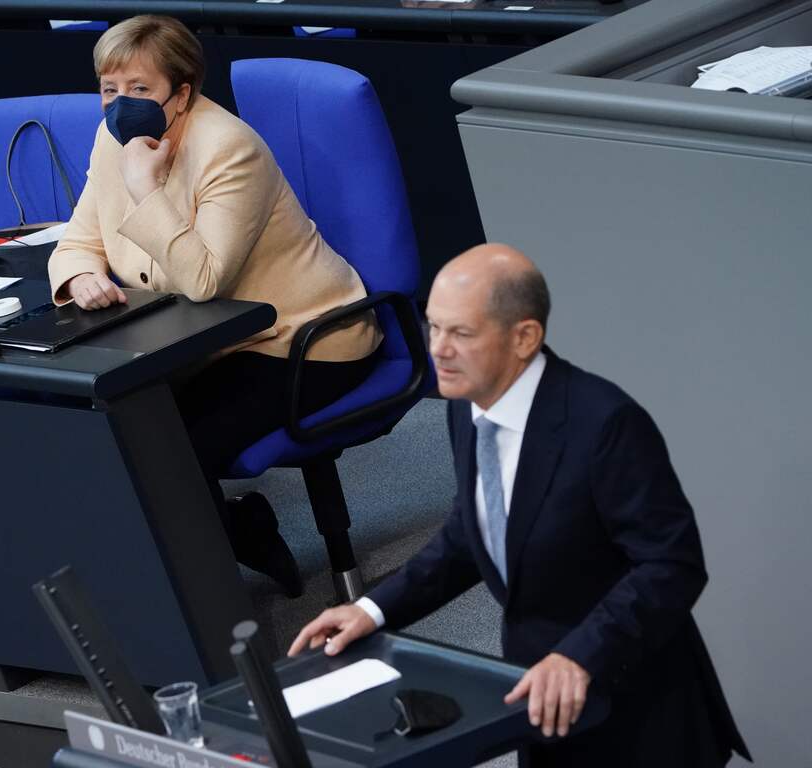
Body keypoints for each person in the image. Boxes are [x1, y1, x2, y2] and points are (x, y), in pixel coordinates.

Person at [289, 244, 750, 767]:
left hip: (633, 701)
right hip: (536, 692)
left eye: (460, 333)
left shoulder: (605, 425)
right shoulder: (468, 407)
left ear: (524, 338)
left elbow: (671, 565)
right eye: (432, 327)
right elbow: (470, 533)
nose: (438, 349)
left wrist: (581, 657)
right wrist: (372, 609)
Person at [48, 15, 381, 598]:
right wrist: (78, 274)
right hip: (194, 339)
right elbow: (81, 235)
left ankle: (218, 607)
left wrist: (145, 189)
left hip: (300, 339)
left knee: (171, 447)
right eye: (109, 89)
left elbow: (203, 278)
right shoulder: (112, 139)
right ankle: (231, 537)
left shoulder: (230, 148)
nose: (120, 105)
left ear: (183, 91)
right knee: (109, 428)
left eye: (140, 89)